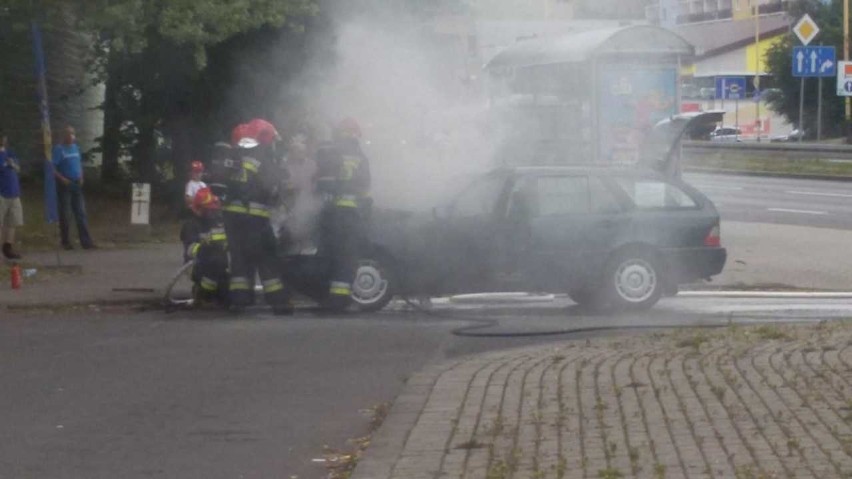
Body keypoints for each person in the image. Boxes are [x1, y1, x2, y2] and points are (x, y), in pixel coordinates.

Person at [222, 119, 293, 315]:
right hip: (254, 219)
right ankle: (279, 303)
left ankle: (239, 301)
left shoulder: (237, 156)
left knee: (240, 259)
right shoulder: (262, 156)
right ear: (265, 137)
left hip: (232, 219)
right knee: (267, 258)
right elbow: (271, 188)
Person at [314, 117, 372, 310]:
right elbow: (365, 187)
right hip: (350, 214)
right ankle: (340, 299)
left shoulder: (331, 151)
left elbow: (321, 182)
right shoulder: (360, 156)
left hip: (332, 212)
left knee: (331, 253)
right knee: (346, 256)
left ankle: (328, 296)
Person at [184, 187, 229, 305]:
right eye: (209, 210)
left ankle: (215, 291)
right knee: (213, 269)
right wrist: (205, 249)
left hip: (217, 263)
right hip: (198, 265)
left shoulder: (214, 222)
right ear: (199, 209)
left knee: (227, 294)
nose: (213, 213)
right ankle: (201, 292)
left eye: (213, 210)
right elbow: (189, 250)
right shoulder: (191, 225)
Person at [52, 126, 95, 250]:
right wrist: (61, 178)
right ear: (64, 136)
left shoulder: (76, 148)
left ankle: (86, 242)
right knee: (65, 213)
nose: (72, 136)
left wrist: (81, 175)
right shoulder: (59, 149)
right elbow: (52, 168)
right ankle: (66, 241)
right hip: (65, 184)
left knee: (81, 213)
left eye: (73, 134)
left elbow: (78, 163)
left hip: (77, 183)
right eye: (69, 134)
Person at [0, 133, 23, 259]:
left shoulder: (10, 153)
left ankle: (7, 247)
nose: (3, 140)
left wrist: (12, 164)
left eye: (4, 137)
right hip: (1, 193)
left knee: (13, 222)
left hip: (14, 192)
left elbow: (18, 168)